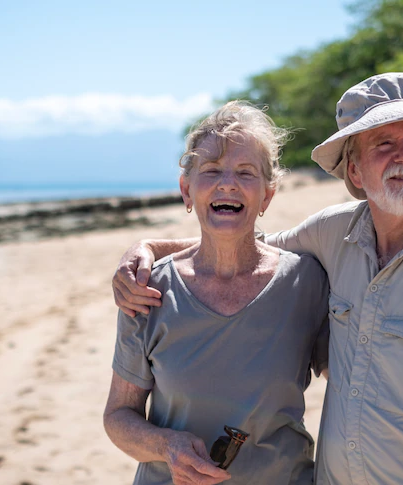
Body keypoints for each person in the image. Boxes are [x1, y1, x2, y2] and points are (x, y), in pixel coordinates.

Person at [112, 73, 403, 485]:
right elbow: (239, 242)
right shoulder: (332, 235)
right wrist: (148, 249)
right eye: (383, 144)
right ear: (355, 171)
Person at [103, 101, 331, 485]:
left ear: (267, 195)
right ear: (186, 190)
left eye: (246, 172)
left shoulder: (306, 281)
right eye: (211, 171)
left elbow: (355, 377)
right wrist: (166, 446)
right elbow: (118, 417)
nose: (228, 183)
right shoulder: (147, 289)